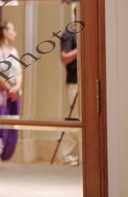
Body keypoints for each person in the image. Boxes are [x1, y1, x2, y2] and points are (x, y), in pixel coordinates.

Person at [0, 22, 23, 160]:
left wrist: (16, 88)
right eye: (12, 30)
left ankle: (7, 157)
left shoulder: (14, 51)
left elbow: (19, 72)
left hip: (13, 96)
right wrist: (8, 89)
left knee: (12, 128)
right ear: (5, 32)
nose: (15, 33)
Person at [59, 30, 80, 166]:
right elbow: (64, 58)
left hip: (90, 81)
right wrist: (81, 48)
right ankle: (69, 157)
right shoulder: (69, 33)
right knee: (74, 118)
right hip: (74, 83)